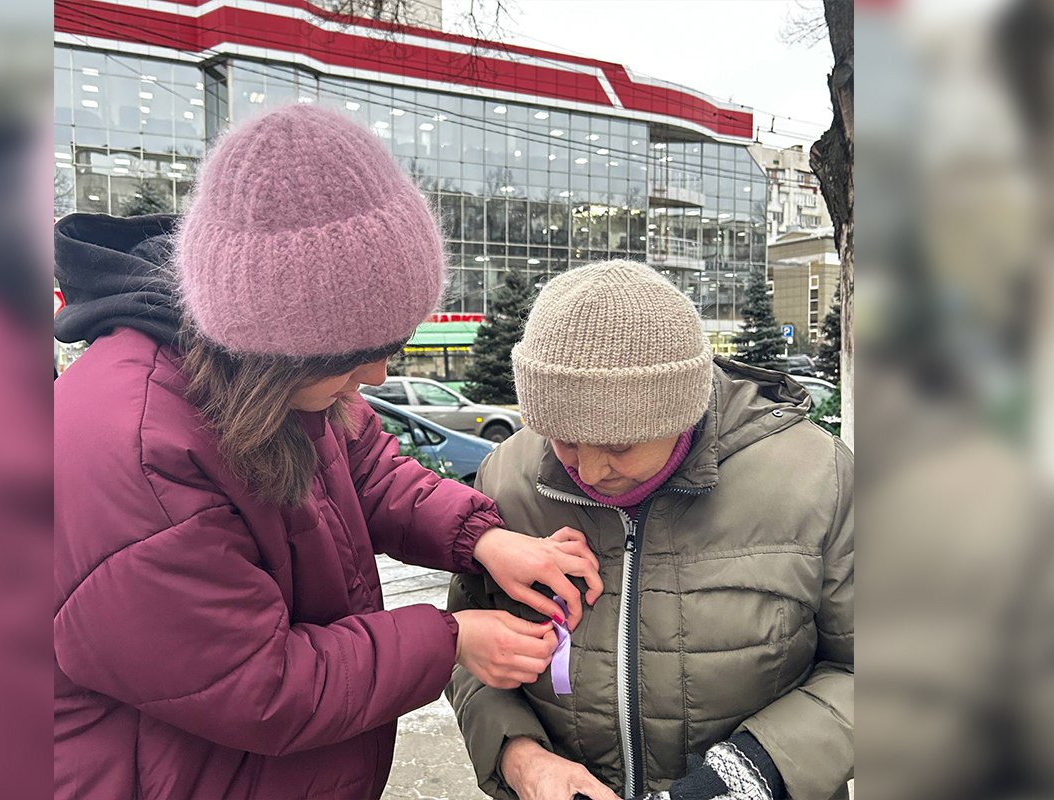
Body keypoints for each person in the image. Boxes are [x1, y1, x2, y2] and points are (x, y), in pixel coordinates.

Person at [53, 105, 604, 800]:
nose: (376, 376)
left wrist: (483, 539)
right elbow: (258, 683)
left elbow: (367, 470)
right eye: (356, 356)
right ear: (276, 345)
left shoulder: (282, 383)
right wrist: (449, 639)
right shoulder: (133, 453)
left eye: (391, 344)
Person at [446, 261, 853, 800]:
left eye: (619, 445)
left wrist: (758, 771)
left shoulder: (815, 478)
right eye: (563, 439)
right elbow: (465, 647)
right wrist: (520, 757)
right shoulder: (506, 477)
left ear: (680, 412)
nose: (589, 472)